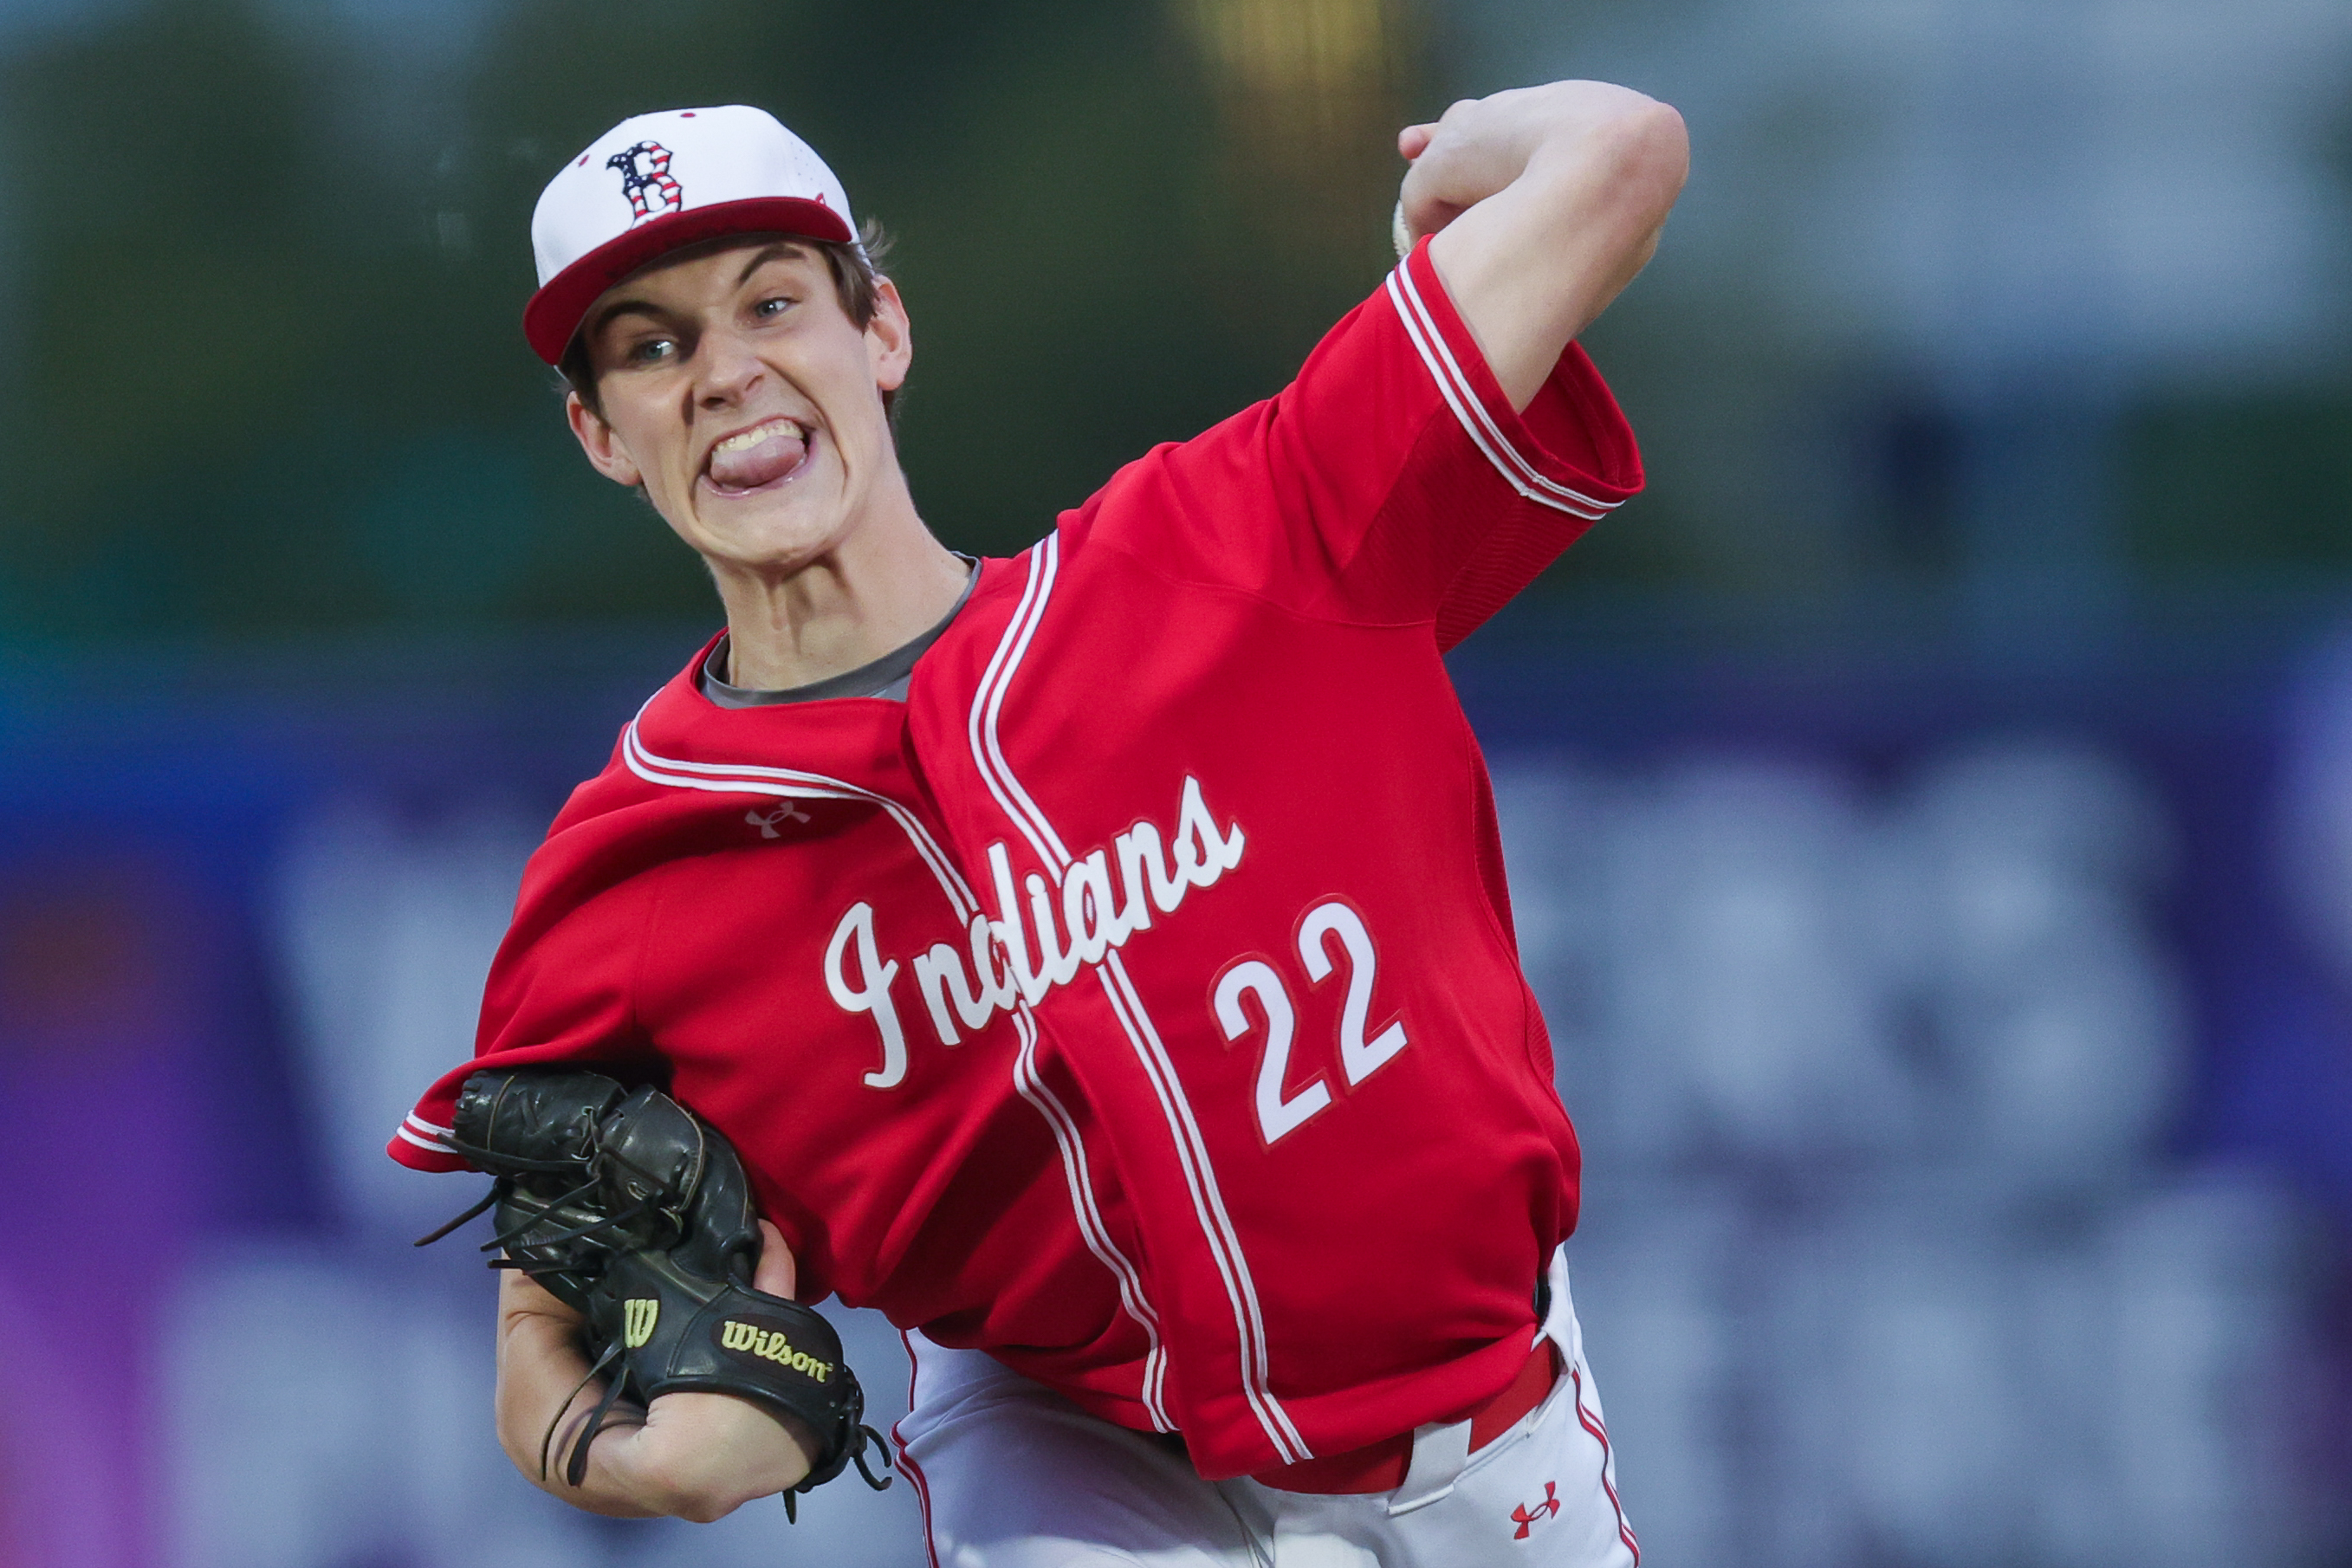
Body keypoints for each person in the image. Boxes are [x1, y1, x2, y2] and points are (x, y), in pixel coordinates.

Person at [391, 83, 1686, 1565]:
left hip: (1474, 1429)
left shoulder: (1231, 548)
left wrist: (1451, 167)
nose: (726, 374)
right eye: (654, 346)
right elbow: (530, 1344)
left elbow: (1623, 155)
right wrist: (636, 1459)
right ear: (601, 432)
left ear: (882, 332)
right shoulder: (632, 869)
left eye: (771, 303)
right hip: (1069, 1455)